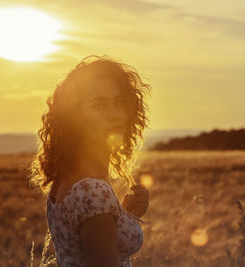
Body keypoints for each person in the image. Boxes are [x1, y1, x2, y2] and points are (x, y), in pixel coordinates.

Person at [28, 55, 151, 266]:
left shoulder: (67, 180)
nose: (114, 114)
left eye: (119, 102)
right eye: (99, 105)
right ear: (75, 118)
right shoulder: (93, 191)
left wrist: (125, 214)